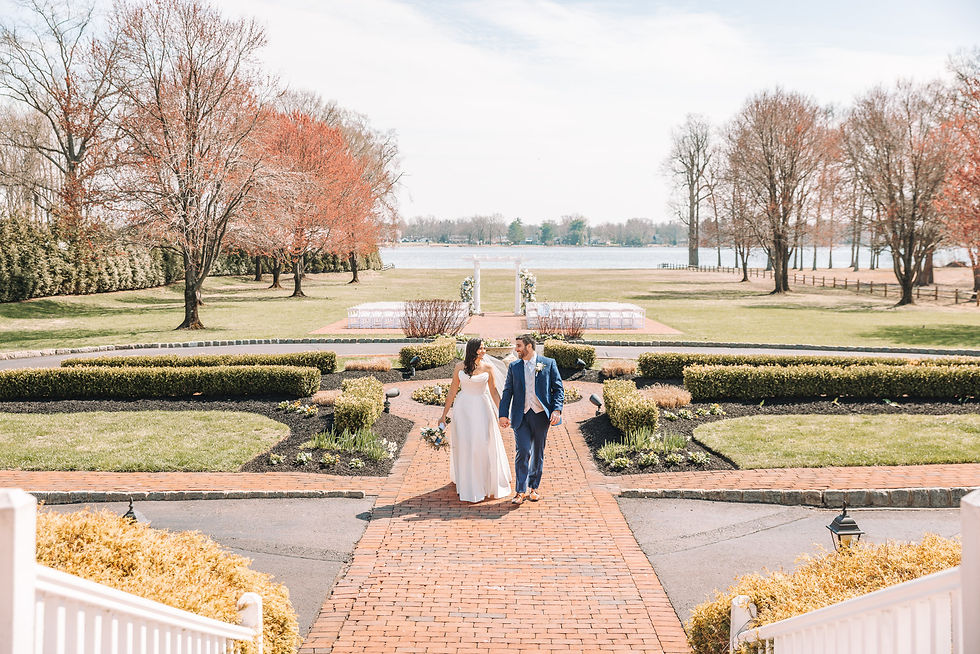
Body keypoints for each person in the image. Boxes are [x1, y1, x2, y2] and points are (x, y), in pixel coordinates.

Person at [439, 338, 512, 503]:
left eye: (484, 348)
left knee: (482, 443)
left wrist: (503, 414)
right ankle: (468, 482)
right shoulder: (459, 367)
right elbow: (451, 392)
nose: (484, 351)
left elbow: (493, 392)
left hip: (482, 408)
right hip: (463, 409)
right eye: (481, 348)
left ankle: (486, 481)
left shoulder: (488, 367)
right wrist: (443, 415)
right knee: (466, 444)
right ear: (473, 350)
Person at [498, 334, 564, 505]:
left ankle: (534, 488)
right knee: (523, 451)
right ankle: (520, 491)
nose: (516, 349)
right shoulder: (514, 367)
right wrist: (503, 414)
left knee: (537, 453)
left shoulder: (548, 363)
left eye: (519, 346)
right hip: (521, 416)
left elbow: (558, 389)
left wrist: (556, 410)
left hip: (541, 415)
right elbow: (507, 392)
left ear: (529, 347)